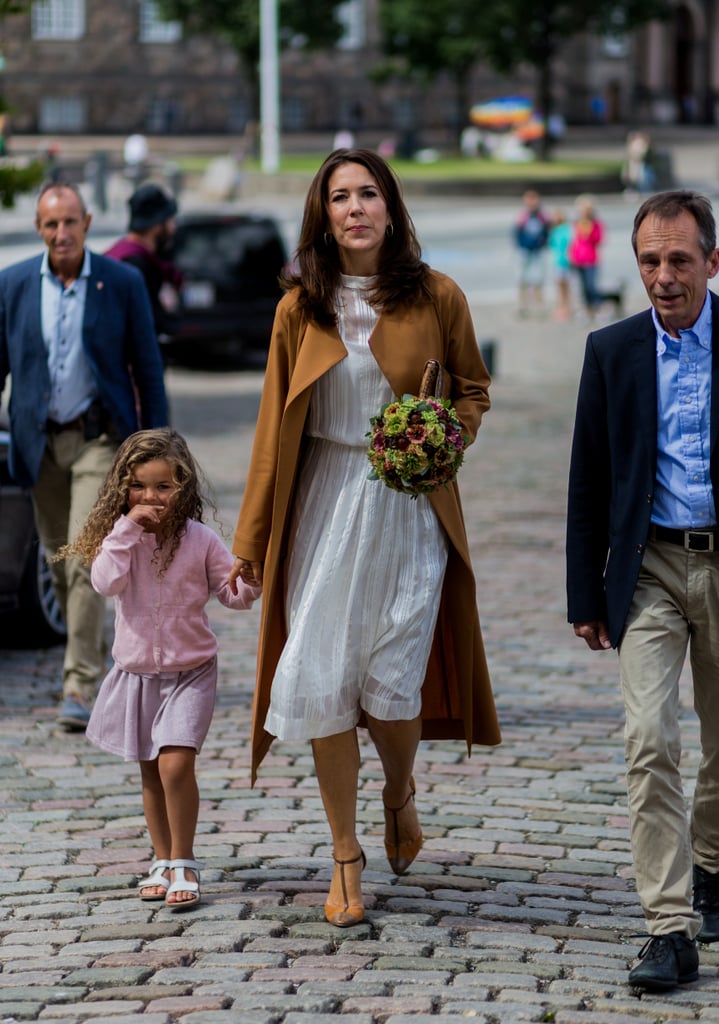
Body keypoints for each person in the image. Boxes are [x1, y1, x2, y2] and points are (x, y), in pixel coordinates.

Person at [227, 147, 501, 928]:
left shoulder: (437, 295)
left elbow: (474, 389)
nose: (355, 208)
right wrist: (249, 543)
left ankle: (398, 785)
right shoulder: (297, 309)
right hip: (322, 500)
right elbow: (270, 433)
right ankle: (344, 851)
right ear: (323, 214)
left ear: (390, 208)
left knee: (392, 683)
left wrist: (446, 431)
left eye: (368, 194)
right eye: (340, 196)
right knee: (319, 673)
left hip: (409, 509)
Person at [567, 189, 719, 992]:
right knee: (649, 738)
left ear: (711, 263)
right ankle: (668, 924)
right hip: (650, 567)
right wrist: (582, 595)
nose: (663, 277)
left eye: (679, 261)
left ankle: (714, 861)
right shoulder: (611, 349)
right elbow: (587, 476)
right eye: (650, 262)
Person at [58, 428, 261, 909]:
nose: (150, 497)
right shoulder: (119, 539)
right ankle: (161, 857)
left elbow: (232, 597)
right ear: (121, 489)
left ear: (183, 487)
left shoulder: (201, 540)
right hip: (137, 675)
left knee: (175, 763)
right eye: (138, 486)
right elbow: (106, 583)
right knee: (151, 771)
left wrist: (249, 581)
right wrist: (126, 529)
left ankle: (185, 860)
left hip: (191, 671)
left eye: (163, 487)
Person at [0, 180, 168, 731]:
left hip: (99, 441)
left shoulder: (118, 282)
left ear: (88, 222)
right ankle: (95, 650)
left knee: (80, 558)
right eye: (51, 224)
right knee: (57, 560)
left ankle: (79, 683)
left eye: (71, 222)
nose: (62, 233)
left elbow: (146, 365)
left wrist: (159, 450)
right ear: (39, 228)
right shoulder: (15, 284)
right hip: (39, 444)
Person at [105, 183, 183, 338]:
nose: (173, 228)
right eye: (170, 221)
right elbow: (150, 323)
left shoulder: (121, 254)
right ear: (157, 226)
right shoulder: (136, 266)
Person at [568, 193, 606, 320]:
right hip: (579, 259)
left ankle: (597, 307)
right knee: (582, 287)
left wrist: (589, 233)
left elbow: (599, 239)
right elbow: (573, 241)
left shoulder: (595, 224)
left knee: (591, 286)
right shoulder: (576, 223)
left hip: (591, 259)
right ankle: (586, 309)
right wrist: (572, 255)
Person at [513, 189, 550, 316]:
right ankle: (522, 305)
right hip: (524, 250)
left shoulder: (542, 216)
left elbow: (547, 232)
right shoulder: (523, 216)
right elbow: (517, 233)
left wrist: (541, 243)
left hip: (537, 250)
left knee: (538, 278)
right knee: (522, 278)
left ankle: (539, 305)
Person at [548, 208, 573, 321]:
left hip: (564, 261)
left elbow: (569, 244)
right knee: (559, 286)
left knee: (564, 286)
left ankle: (566, 307)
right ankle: (562, 307)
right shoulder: (555, 230)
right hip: (557, 261)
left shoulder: (566, 229)